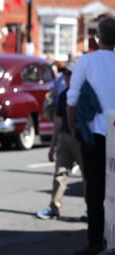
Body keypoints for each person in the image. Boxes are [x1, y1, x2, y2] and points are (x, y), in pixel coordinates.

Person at [67, 16, 115, 255]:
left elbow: (72, 97)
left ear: (97, 37)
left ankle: (96, 240)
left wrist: (72, 124)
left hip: (95, 135)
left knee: (95, 190)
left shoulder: (87, 61)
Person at [36, 61, 84, 220]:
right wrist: (52, 146)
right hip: (65, 137)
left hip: (81, 138)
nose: (66, 77)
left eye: (69, 74)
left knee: (88, 176)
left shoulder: (85, 93)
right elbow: (57, 122)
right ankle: (54, 208)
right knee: (60, 173)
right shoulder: (64, 95)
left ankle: (91, 210)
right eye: (64, 74)